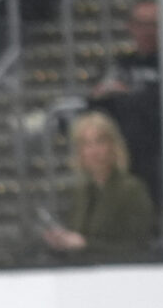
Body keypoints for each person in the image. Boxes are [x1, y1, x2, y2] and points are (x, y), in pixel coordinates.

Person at [42, 110, 156, 261]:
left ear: (113, 146)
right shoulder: (81, 193)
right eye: (86, 144)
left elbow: (139, 246)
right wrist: (62, 241)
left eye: (100, 142)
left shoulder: (131, 190)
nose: (94, 151)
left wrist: (85, 244)